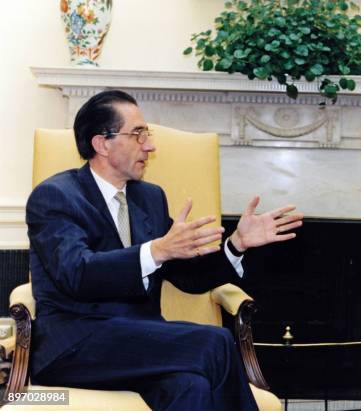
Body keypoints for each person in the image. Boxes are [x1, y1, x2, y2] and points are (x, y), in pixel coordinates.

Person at [26, 90, 304, 410]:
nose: (150, 145)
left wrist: (236, 245)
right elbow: (77, 273)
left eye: (148, 134)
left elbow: (188, 276)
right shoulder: (55, 197)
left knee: (191, 386)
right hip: (75, 346)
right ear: (102, 143)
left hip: (142, 346)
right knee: (216, 341)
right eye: (138, 134)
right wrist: (155, 251)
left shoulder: (149, 198)